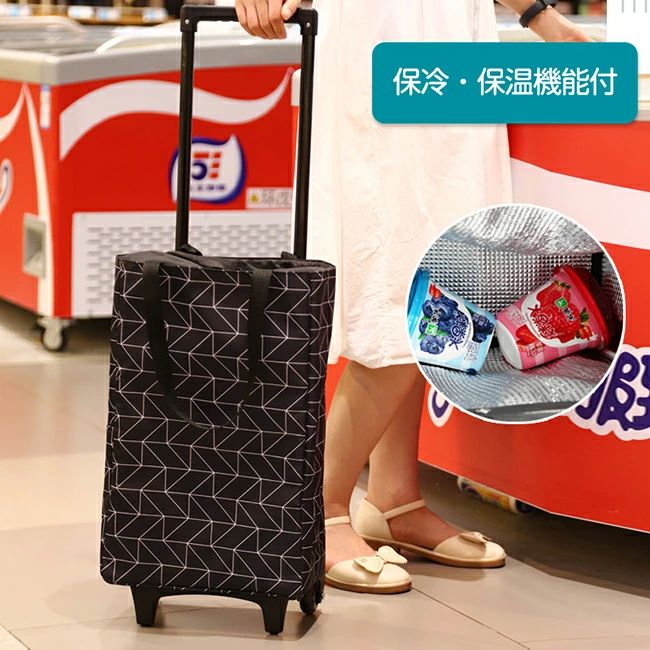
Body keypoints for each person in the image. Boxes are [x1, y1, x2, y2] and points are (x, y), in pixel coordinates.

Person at [234, 0, 589, 594]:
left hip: (453, 44)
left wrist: (538, 15)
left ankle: (393, 498)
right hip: (382, 38)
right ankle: (312, 510)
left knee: (448, 266)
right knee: (402, 282)